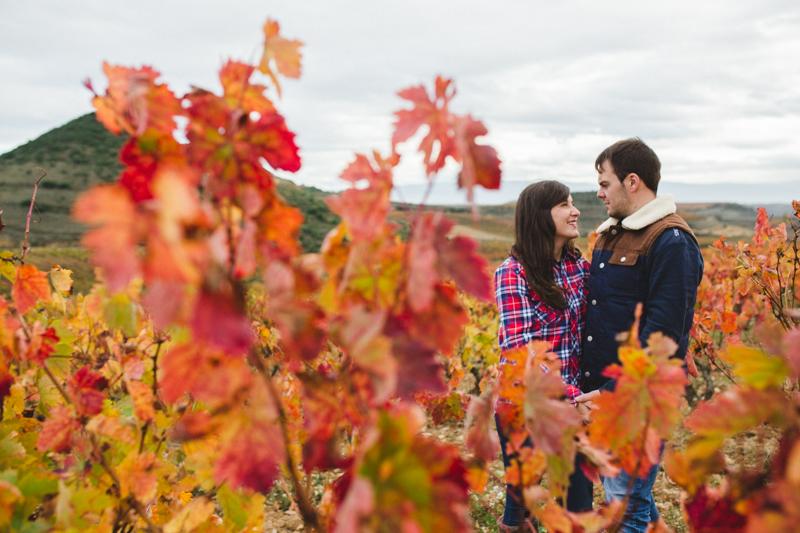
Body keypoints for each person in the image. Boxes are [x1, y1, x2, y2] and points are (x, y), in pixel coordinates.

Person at [578, 138, 704, 532]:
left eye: (604, 183)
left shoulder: (671, 242)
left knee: (625, 510)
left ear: (632, 182)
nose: (599, 193)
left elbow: (663, 337)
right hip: (606, 395)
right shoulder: (613, 234)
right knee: (630, 500)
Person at [494, 180, 594, 531]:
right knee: (521, 499)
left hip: (571, 407)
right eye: (564, 205)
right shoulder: (513, 273)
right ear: (541, 216)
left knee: (579, 505)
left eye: (572, 203)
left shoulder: (580, 270)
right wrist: (571, 396)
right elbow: (522, 353)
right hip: (525, 407)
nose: (575, 210)